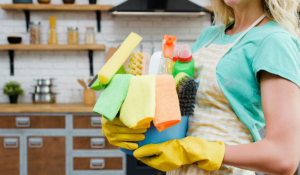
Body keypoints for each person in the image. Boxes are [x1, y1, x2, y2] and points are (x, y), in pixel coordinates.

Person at [101, 0, 300, 174]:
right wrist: (128, 120)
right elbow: (178, 112)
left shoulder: (275, 41)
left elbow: (284, 158)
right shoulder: (209, 36)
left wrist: (197, 150)